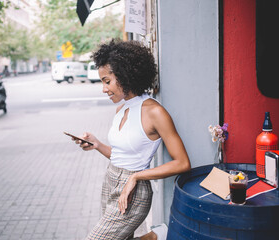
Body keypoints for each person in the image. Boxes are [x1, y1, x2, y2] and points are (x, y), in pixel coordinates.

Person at [73, 39, 191, 240]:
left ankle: (156, 236)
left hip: (134, 192)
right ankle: (156, 237)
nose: (103, 89)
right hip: (110, 181)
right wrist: (97, 145)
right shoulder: (122, 108)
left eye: (107, 81)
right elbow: (121, 156)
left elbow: (183, 163)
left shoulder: (155, 112)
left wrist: (136, 176)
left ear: (125, 76)